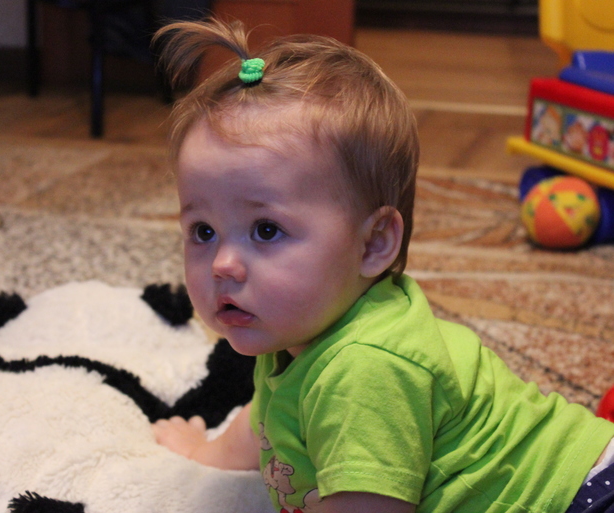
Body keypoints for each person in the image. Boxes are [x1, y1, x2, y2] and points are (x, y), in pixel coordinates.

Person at [150, 18, 614, 513]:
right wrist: (204, 454)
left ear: (373, 243)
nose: (223, 264)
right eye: (203, 231)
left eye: (266, 230)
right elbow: (265, 417)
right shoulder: (296, 324)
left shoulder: (366, 369)